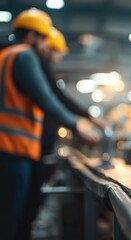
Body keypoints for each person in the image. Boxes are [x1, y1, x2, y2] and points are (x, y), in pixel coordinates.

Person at [0, 8, 99, 240]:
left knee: (8, 216)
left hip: (10, 149)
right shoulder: (24, 56)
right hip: (14, 149)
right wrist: (78, 125)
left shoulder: (6, 55)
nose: (45, 46)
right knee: (12, 218)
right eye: (44, 39)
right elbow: (46, 98)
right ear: (33, 36)